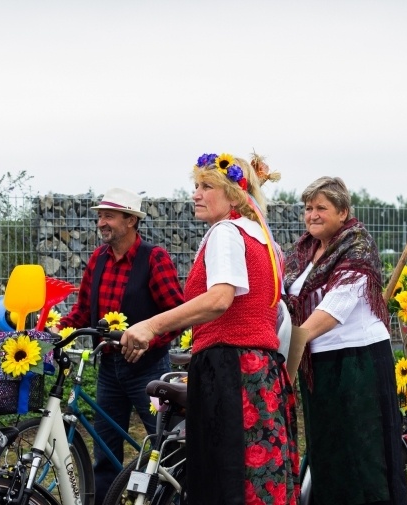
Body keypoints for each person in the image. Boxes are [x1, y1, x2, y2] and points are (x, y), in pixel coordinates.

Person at [121, 152, 299, 504]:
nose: (195, 194)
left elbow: (220, 299)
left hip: (230, 371)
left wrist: (152, 325)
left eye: (206, 186)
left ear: (233, 193)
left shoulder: (226, 232)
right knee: (257, 481)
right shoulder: (265, 240)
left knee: (225, 481)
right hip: (259, 372)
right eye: (195, 185)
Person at [282, 176, 407, 505]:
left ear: (342, 212)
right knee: (328, 449)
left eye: (321, 208)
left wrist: (292, 347)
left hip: (358, 362)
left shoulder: (357, 246)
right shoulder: (304, 252)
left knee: (362, 453)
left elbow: (336, 306)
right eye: (308, 208)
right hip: (320, 364)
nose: (312, 214)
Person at [55, 187, 185, 504]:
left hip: (148, 370)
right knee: (105, 450)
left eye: (109, 216)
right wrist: (55, 329)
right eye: (100, 216)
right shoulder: (98, 259)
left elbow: (176, 313)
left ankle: (174, 496)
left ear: (130, 220)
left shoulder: (154, 259)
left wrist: (150, 338)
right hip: (109, 370)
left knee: (166, 446)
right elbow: (83, 310)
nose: (101, 222)